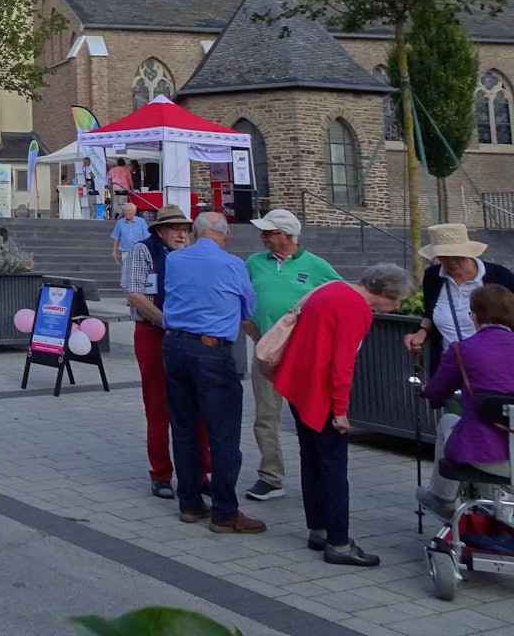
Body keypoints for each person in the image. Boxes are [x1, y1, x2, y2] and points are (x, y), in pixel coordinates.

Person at [271, 264, 412, 566]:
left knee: (311, 459)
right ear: (383, 293)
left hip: (299, 384)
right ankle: (339, 543)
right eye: (396, 300)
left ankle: (319, 529)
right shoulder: (355, 308)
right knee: (334, 468)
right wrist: (341, 411)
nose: (397, 306)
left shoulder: (333, 290)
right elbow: (342, 364)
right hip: (320, 394)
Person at [161, 212, 263, 534]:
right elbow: (248, 308)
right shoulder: (232, 264)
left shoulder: (175, 259)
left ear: (194, 231)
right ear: (226, 234)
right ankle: (224, 512)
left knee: (184, 427)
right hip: (210, 349)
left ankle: (189, 503)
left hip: (174, 345)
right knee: (223, 433)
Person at [239, 209, 342, 503]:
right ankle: (270, 477)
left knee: (309, 415)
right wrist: (247, 323)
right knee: (265, 416)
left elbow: (341, 298)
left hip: (303, 356)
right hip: (266, 352)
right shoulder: (254, 262)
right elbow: (242, 296)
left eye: (269, 232)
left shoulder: (316, 265)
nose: (263, 237)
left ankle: (317, 471)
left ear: (287, 236)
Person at [122, 205, 207, 499]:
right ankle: (160, 473)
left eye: (185, 229)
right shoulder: (143, 251)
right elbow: (134, 293)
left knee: (197, 404)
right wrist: (165, 321)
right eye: (174, 228)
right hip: (153, 333)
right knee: (158, 404)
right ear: (159, 230)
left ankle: (201, 471)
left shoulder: (193, 254)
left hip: (189, 336)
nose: (181, 234)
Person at [417, 284, 514, 523]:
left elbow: (438, 390)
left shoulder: (463, 349)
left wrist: (425, 390)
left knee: (448, 421)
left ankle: (443, 498)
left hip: (489, 458)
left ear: (474, 316)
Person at [404, 223, 514, 362]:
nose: (451, 262)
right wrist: (422, 331)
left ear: (468, 253)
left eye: (457, 256)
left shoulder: (500, 277)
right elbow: (430, 313)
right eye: (444, 256)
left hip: (494, 366)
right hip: (450, 366)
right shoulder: (433, 277)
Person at [109, 202, 149, 268]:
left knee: (138, 270)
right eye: (125, 210)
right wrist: (114, 251)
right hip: (126, 251)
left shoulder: (141, 222)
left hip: (139, 252)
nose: (126, 212)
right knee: (126, 270)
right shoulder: (120, 222)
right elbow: (116, 237)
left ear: (133, 212)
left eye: (128, 210)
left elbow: (147, 236)